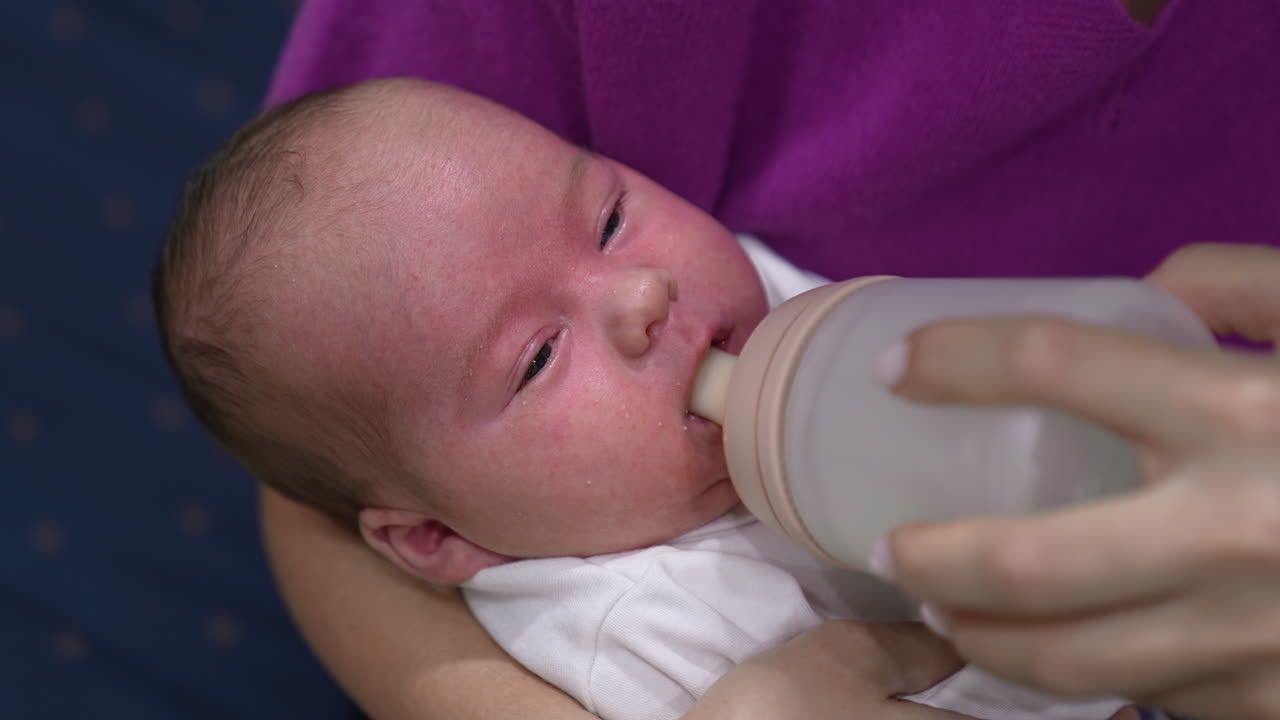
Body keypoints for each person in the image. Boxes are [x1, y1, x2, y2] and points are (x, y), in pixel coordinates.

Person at [257, 1, 1280, 718]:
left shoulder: (757, 301)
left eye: (612, 215)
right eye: (533, 362)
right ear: (439, 538)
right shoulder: (648, 632)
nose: (639, 297)